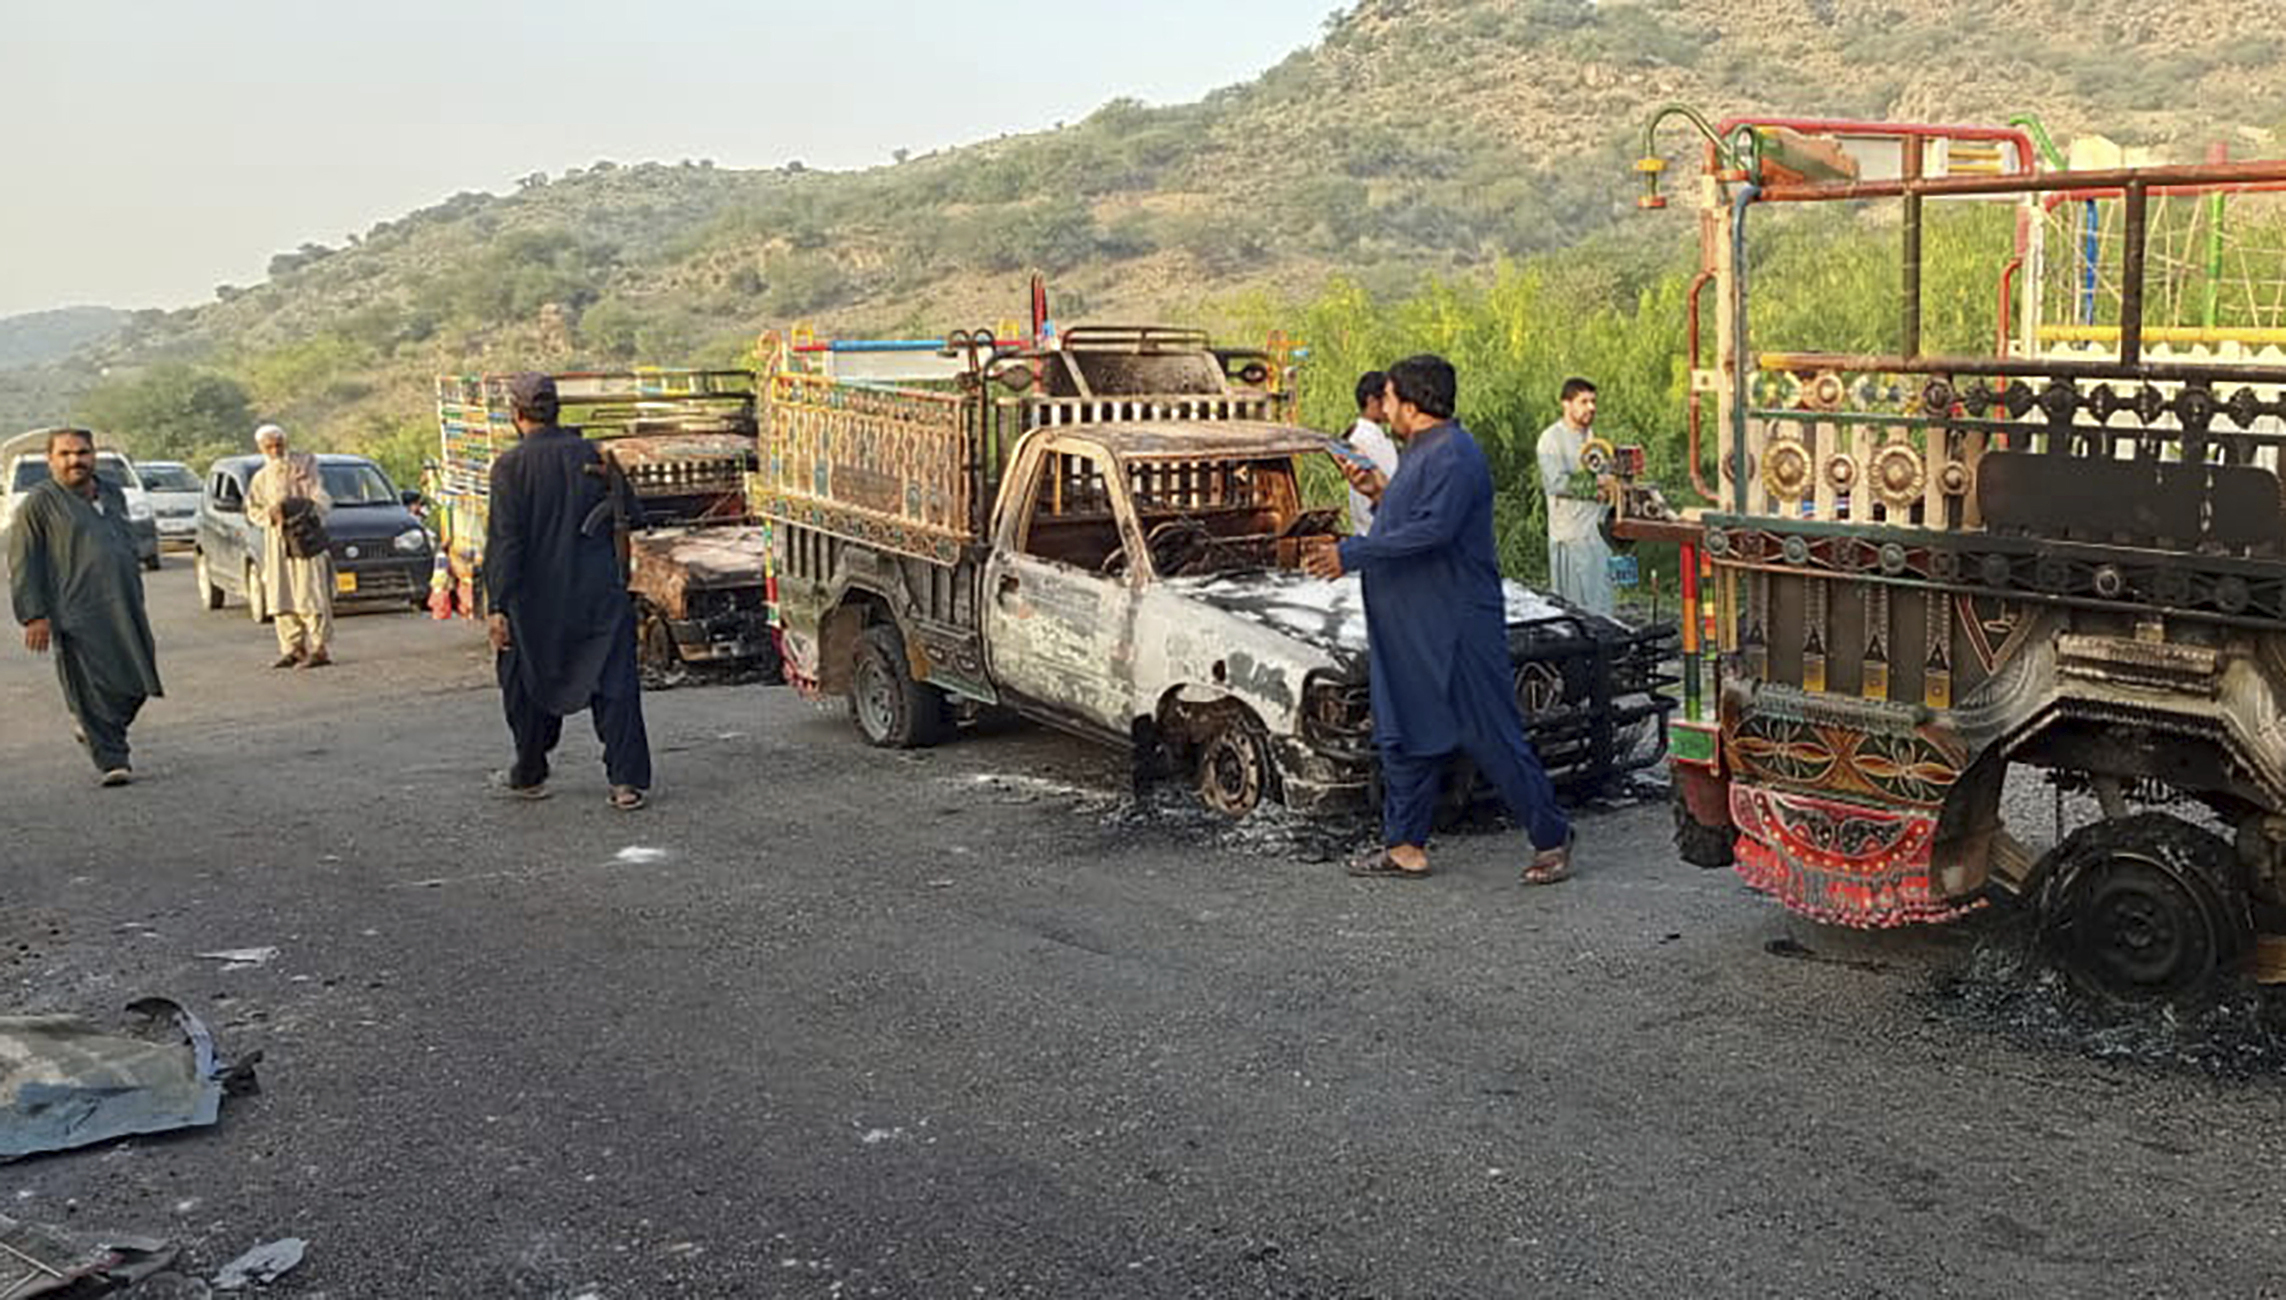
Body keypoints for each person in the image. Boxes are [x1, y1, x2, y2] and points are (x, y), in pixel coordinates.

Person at [1303, 355, 1572, 884]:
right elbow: (1409, 518)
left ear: (1412, 403)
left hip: (1455, 625)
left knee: (1489, 732)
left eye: (1388, 399)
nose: (1384, 410)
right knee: (1403, 731)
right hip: (1411, 624)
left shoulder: (1455, 453)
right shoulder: (1422, 452)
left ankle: (1551, 836)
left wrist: (1350, 553)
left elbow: (1433, 531)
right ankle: (1405, 846)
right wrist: (1377, 492)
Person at [485, 372, 653, 809]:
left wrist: (498, 605)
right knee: (615, 684)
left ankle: (529, 773)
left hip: (534, 601)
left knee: (523, 679)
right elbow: (634, 516)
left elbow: (506, 542)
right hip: (598, 591)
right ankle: (625, 783)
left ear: (516, 414)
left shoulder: (510, 467)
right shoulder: (594, 455)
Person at [8, 428, 163, 785]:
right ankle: (112, 759)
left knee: (136, 681)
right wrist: (33, 615)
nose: (74, 460)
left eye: (82, 452)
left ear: (94, 455)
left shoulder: (112, 493)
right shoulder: (39, 504)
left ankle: (92, 725)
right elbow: (23, 562)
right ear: (50, 460)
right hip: (76, 609)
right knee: (90, 684)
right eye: (64, 454)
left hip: (125, 603)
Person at [245, 423, 336, 668]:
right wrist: (271, 514)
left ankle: (319, 648)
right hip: (277, 542)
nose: (275, 450)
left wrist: (295, 508)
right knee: (281, 594)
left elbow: (320, 498)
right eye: (269, 446)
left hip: (305, 540)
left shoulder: (304, 465)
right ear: (261, 448)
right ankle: (293, 648)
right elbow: (253, 510)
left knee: (310, 593)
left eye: (279, 444)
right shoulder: (261, 478)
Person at [1535, 377, 1615, 615]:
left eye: (1593, 401)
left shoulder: (1593, 439)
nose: (1591, 407)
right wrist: (1596, 485)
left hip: (1597, 535)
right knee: (1572, 609)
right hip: (1570, 536)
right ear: (1566, 404)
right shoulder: (1551, 439)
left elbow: (1605, 478)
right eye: (1584, 401)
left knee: (1601, 604)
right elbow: (1556, 483)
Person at [1344, 369, 1399, 535]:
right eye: (1386, 399)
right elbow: (1391, 480)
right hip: (1377, 526)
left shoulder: (1368, 435)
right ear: (1372, 401)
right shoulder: (1368, 439)